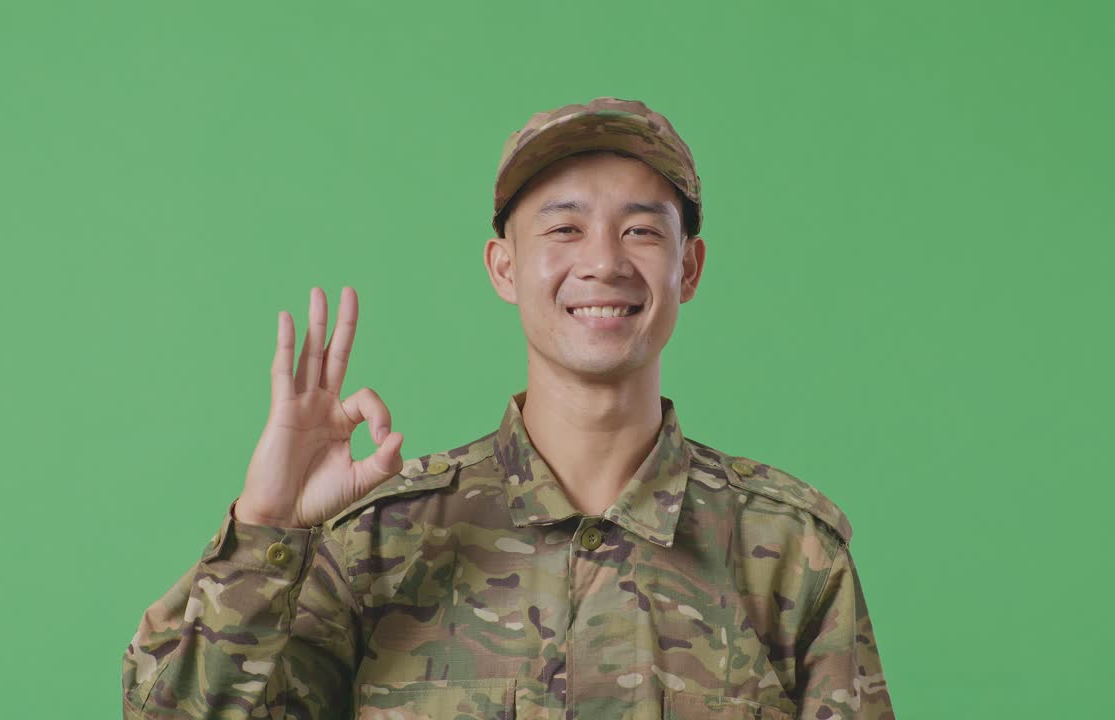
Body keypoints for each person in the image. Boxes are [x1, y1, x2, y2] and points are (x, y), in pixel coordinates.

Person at [121, 96, 894, 719]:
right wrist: (267, 529)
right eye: (564, 228)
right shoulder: (380, 543)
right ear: (505, 266)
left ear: (687, 266)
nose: (602, 261)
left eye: (639, 231)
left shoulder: (789, 550)